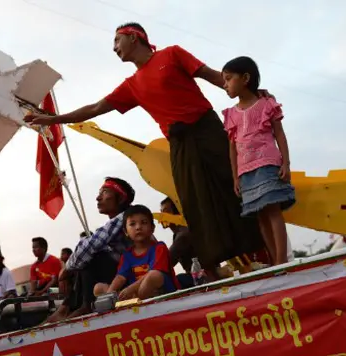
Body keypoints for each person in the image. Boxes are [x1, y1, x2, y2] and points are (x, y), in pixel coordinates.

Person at [25, 23, 264, 280]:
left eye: (117, 41)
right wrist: (52, 119)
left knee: (234, 185)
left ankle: (263, 253)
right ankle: (212, 268)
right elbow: (95, 108)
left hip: (208, 130)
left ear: (134, 36)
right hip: (179, 144)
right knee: (193, 203)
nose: (114, 48)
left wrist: (251, 95)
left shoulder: (172, 54)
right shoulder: (131, 85)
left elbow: (213, 76)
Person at [222, 56, 294, 266]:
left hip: (268, 164)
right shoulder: (231, 114)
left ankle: (282, 260)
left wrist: (286, 163)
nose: (225, 85)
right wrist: (235, 176)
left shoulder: (266, 104)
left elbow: (279, 134)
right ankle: (274, 260)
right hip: (246, 172)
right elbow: (232, 147)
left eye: (228, 79)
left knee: (273, 212)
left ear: (245, 78)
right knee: (260, 217)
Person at [46, 177, 135, 322]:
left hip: (128, 278)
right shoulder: (116, 221)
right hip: (118, 276)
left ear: (120, 198)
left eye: (104, 192)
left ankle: (83, 306)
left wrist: (66, 270)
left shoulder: (125, 217)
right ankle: (67, 308)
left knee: (93, 256)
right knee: (87, 257)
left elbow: (90, 246)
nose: (98, 197)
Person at [94, 204, 178, 300]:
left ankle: (131, 299)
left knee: (153, 275)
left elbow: (154, 274)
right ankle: (119, 299)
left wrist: (131, 288)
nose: (138, 227)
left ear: (152, 228)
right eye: (132, 224)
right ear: (126, 232)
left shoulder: (159, 247)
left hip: (159, 291)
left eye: (144, 222)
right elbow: (120, 277)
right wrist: (110, 294)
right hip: (134, 293)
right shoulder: (127, 255)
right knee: (98, 288)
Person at [160, 197, 195, 288]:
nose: (162, 215)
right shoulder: (179, 233)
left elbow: (167, 261)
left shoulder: (183, 235)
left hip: (199, 276)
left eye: (166, 211)